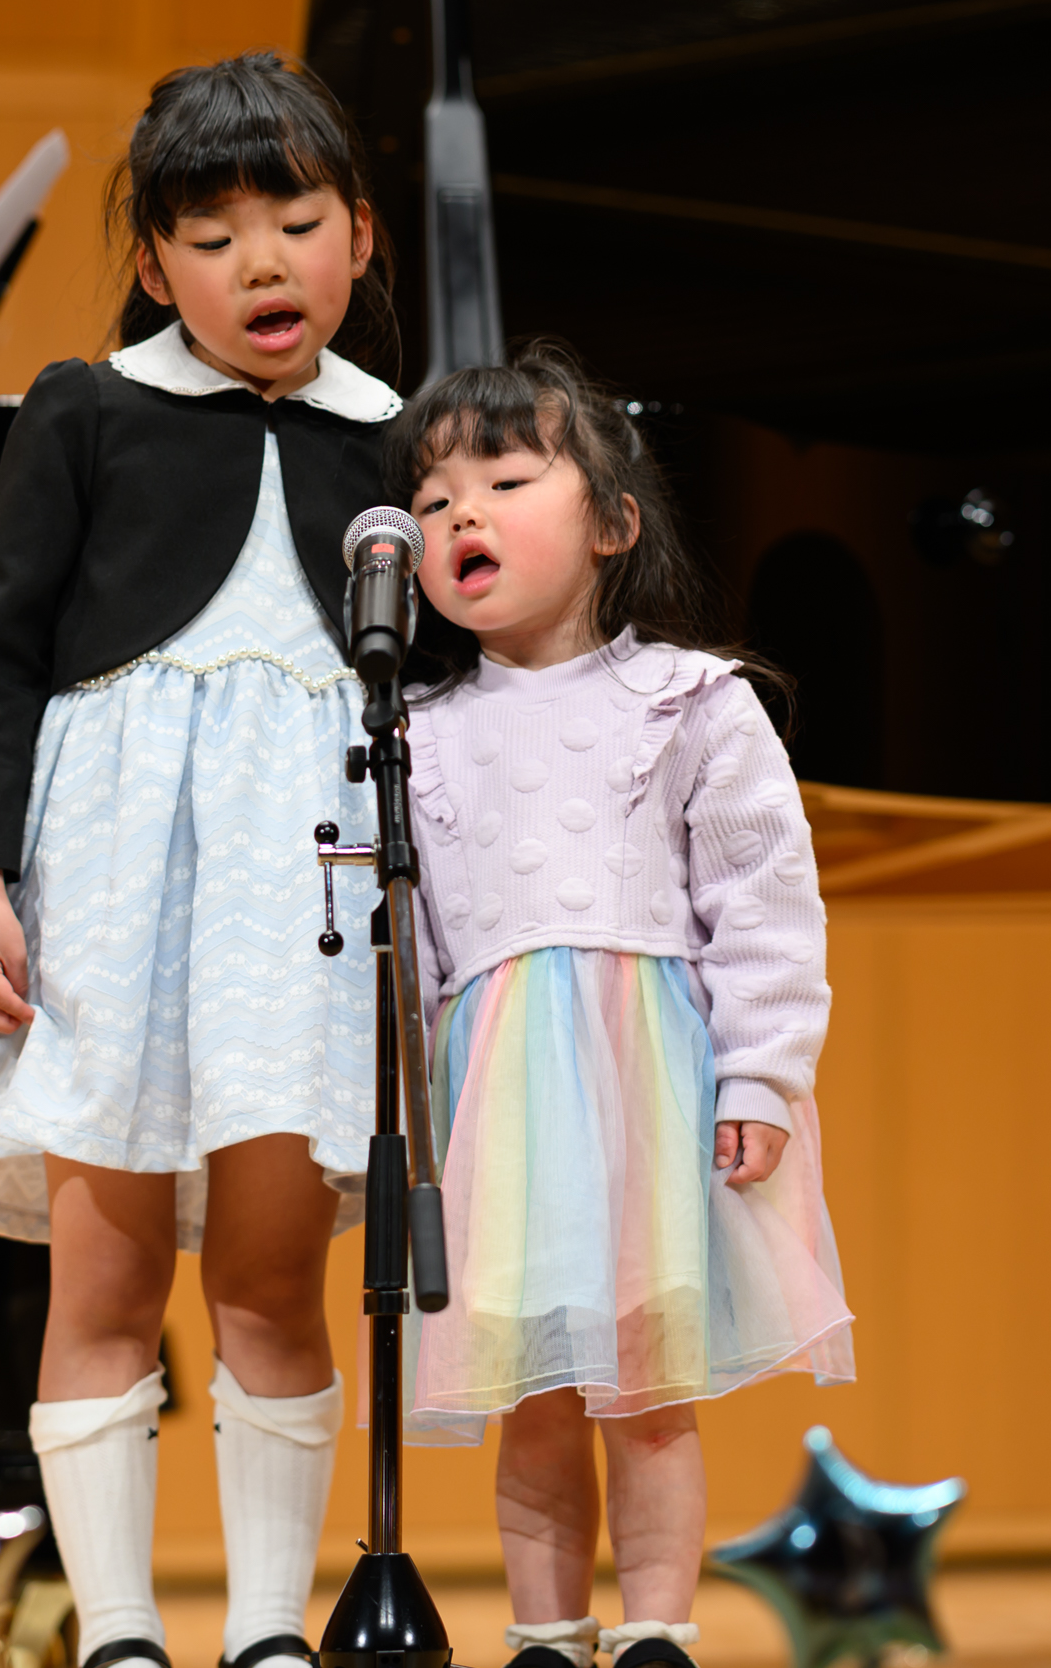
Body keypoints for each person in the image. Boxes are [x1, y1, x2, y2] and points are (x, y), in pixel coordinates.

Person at [0, 53, 401, 1668]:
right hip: (102, 884)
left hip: (301, 898)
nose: (262, 263)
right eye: (214, 237)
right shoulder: (87, 408)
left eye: (297, 221)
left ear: (359, 236)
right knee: (95, 1276)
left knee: (272, 1274)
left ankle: (267, 1630)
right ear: (156, 266)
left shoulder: (396, 433)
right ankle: (116, 1628)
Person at [389, 346, 857, 1668]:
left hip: (649, 1103)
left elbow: (765, 905)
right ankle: (546, 1632)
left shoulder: (692, 703)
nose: (460, 514)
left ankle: (655, 1631)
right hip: (495, 1120)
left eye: (504, 477)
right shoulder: (413, 734)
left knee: (646, 1396)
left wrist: (761, 1080)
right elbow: (408, 960)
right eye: (430, 501)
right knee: (535, 1401)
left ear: (610, 523)